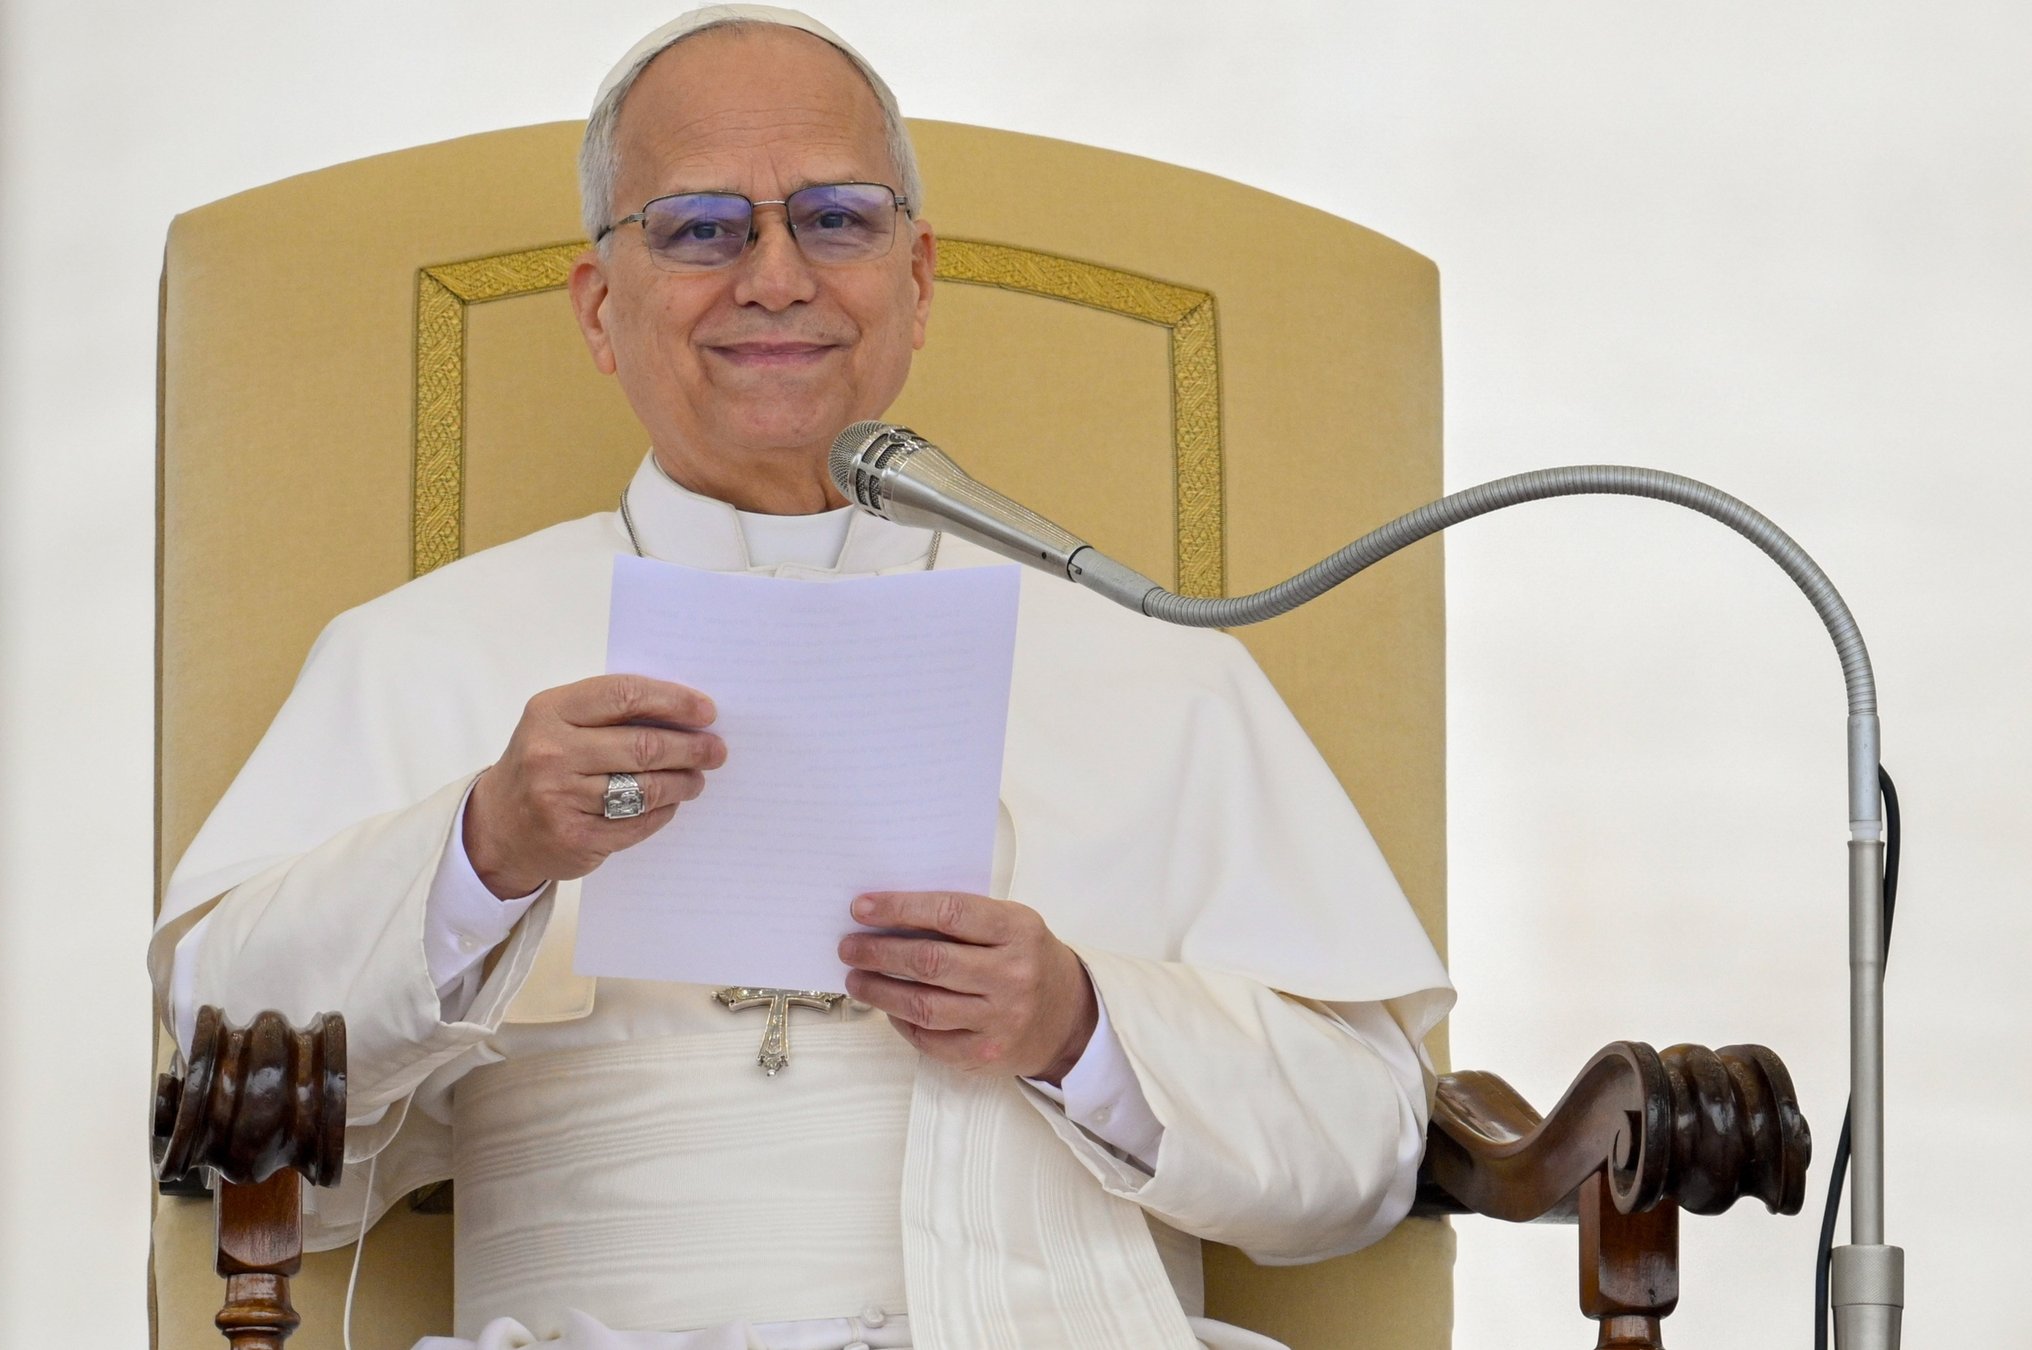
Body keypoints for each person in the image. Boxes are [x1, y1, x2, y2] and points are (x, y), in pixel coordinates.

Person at [150, 8, 1454, 1348]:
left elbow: (1365, 1144)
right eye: (700, 228)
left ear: (918, 279)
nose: (775, 277)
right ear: (601, 308)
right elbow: (220, 1069)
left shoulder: (1155, 667)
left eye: (835, 219)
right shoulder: (424, 651)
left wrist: (1079, 1027)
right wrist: (486, 849)